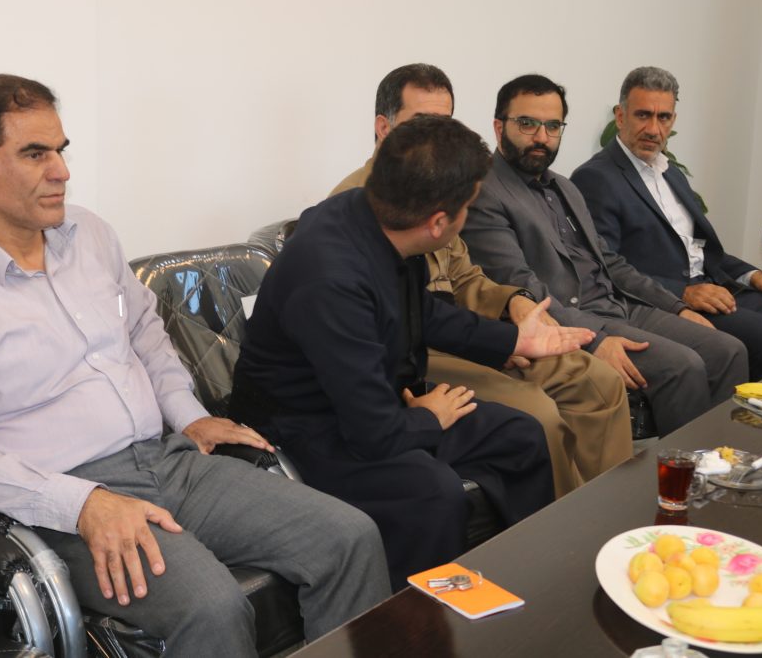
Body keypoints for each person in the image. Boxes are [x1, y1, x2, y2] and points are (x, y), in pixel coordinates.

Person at [0, 74, 390, 657]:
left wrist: (188, 415)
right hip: (60, 505)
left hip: (166, 460)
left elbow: (144, 330)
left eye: (61, 151)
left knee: (349, 538)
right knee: (212, 607)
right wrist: (84, 504)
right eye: (35, 154)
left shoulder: (89, 236)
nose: (60, 171)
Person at [232, 114, 596, 586]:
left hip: (376, 404)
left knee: (521, 435)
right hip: (304, 429)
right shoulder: (331, 278)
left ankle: (524, 581)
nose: (468, 217)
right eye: (468, 206)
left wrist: (512, 339)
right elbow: (371, 432)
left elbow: (417, 311)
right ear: (439, 222)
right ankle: (419, 621)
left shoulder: (372, 216)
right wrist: (429, 419)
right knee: (432, 493)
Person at [331, 63, 631, 498]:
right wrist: (494, 343)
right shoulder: (357, 200)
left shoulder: (438, 186)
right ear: (383, 127)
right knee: (538, 413)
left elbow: (466, 277)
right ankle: (563, 529)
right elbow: (391, 322)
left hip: (469, 330)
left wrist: (515, 302)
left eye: (444, 125)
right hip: (420, 350)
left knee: (598, 381)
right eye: (421, 123)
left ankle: (610, 512)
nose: (435, 138)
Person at [462, 74, 748, 436]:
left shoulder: (563, 186)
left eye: (553, 126)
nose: (541, 137)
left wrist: (677, 307)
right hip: (578, 318)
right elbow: (520, 286)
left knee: (728, 350)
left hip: (621, 306)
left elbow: (610, 262)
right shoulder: (484, 193)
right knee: (683, 366)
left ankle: (723, 460)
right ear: (499, 126)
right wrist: (595, 339)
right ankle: (684, 470)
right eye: (527, 123)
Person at [571, 66, 762, 380]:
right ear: (620, 117)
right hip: (665, 301)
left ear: (673, 120)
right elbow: (604, 267)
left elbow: (700, 249)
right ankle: (756, 410)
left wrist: (753, 275)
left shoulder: (671, 172)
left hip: (715, 285)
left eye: (663, 117)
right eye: (643, 115)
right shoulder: (596, 177)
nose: (653, 129)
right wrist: (683, 294)